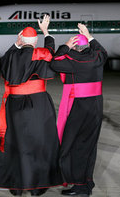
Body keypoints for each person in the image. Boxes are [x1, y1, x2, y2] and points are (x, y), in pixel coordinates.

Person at [0, 15, 63, 196]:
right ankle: (36, 186)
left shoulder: (11, 56)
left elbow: (6, 58)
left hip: (14, 104)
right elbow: (50, 50)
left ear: (20, 40)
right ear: (35, 41)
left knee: (15, 143)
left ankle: (17, 186)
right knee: (39, 142)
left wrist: (17, 43)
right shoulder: (41, 53)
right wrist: (46, 31)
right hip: (38, 104)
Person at [50, 23, 108, 196]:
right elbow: (101, 50)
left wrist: (66, 46)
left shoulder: (72, 61)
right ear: (88, 46)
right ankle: (87, 182)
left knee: (75, 145)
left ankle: (80, 186)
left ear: (75, 46)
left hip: (79, 106)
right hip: (96, 105)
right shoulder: (98, 57)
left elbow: (54, 62)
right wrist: (89, 35)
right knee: (90, 144)